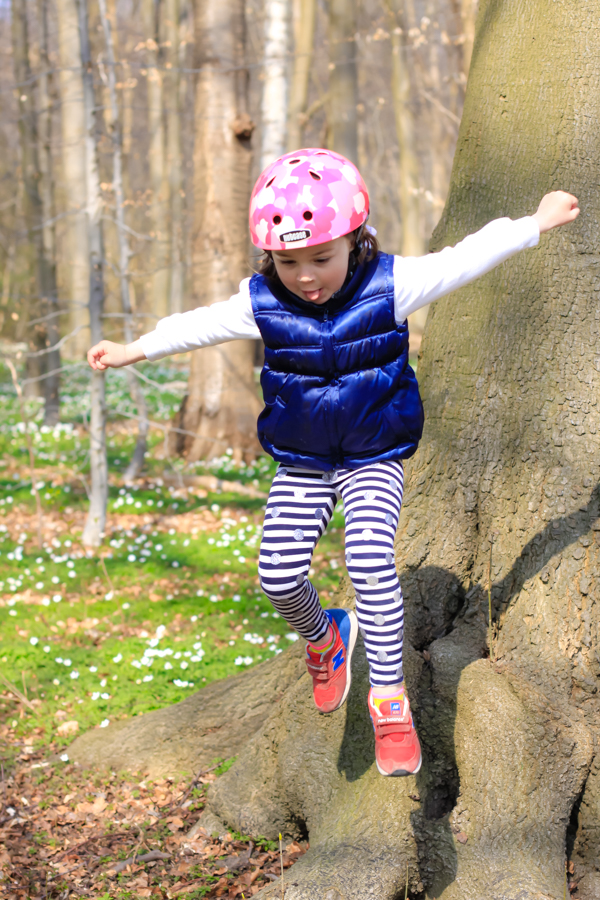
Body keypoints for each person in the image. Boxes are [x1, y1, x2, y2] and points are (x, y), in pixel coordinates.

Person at [88, 149, 579, 777]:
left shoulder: (392, 284)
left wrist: (531, 225)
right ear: (271, 258)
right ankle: (327, 637)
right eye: (289, 262)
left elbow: (463, 259)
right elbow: (201, 326)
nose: (307, 276)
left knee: (371, 558)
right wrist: (136, 348)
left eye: (321, 257)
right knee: (276, 575)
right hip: (304, 462)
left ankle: (389, 700)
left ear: (355, 238)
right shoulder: (262, 300)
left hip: (375, 457)